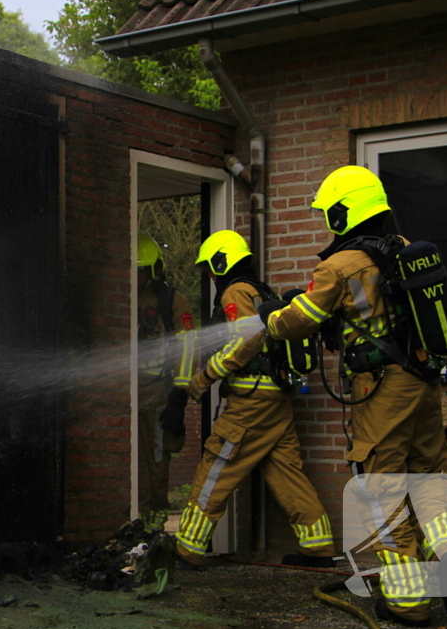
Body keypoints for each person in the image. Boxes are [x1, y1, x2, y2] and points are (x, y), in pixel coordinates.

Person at [257, 166, 447, 628]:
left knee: (383, 489)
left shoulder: (339, 265)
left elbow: (301, 321)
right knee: (429, 477)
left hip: (381, 390)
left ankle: (409, 602)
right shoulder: (403, 251)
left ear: (343, 212)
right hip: (424, 383)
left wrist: (271, 317)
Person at [178, 230, 337, 568]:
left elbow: (246, 341)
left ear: (223, 261)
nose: (209, 275)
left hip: (250, 402)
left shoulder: (235, 291)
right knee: (286, 472)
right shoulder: (260, 290)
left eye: (210, 267)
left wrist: (205, 376)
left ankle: (187, 549)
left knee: (216, 466)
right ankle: (319, 547)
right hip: (276, 399)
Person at [136, 233, 196, 534]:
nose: (138, 277)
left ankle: (156, 521)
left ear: (155, 269)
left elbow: (186, 346)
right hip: (125, 393)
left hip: (158, 392)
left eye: (143, 271)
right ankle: (137, 518)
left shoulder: (172, 300)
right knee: (130, 459)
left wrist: (179, 393)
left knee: (157, 459)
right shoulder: (122, 297)